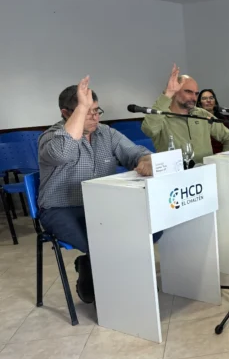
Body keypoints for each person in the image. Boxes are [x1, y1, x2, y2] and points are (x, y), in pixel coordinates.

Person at [38, 77, 157, 303]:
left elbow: (135, 152)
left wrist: (145, 159)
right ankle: (101, 277)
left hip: (102, 205)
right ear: (66, 113)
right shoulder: (51, 138)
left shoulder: (106, 133)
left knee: (143, 228)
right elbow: (63, 153)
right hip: (61, 209)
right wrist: (81, 109)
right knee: (102, 242)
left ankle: (97, 268)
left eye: (96, 110)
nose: (95, 117)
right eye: (86, 111)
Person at [141, 64, 229, 164]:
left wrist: (221, 162)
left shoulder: (202, 114)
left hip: (206, 171)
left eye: (196, 94)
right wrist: (168, 93)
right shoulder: (162, 117)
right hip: (176, 172)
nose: (194, 98)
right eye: (188, 92)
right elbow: (149, 130)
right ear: (175, 92)